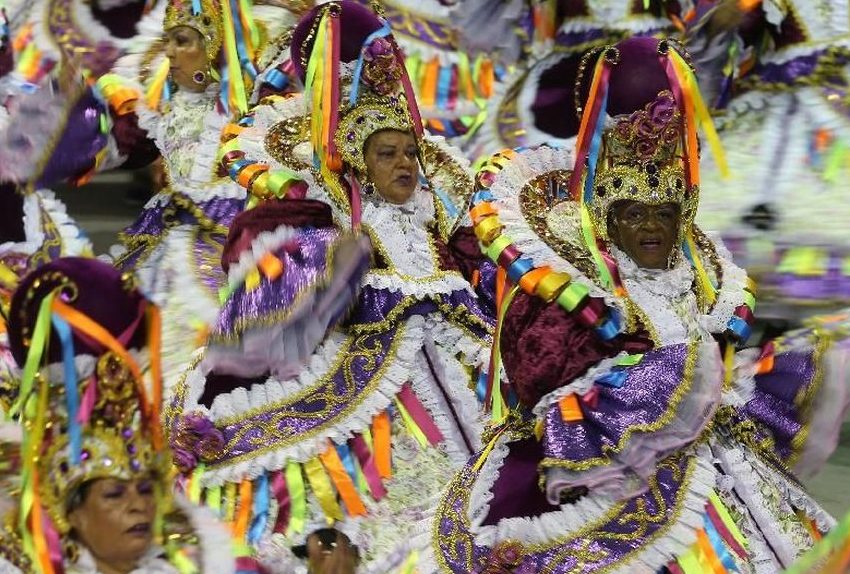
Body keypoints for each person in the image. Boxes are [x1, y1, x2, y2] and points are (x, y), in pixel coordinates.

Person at [428, 36, 850, 573]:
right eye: (635, 212)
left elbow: (714, 364)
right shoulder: (567, 281)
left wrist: (728, 378)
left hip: (719, 468)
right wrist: (674, 380)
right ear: (607, 216)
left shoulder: (697, 274)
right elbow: (544, 377)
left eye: (665, 213)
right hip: (602, 467)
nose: (652, 226)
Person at [165, 2, 496, 571]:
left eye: (411, 152)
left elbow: (489, 286)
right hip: (372, 411)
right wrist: (334, 272)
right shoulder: (313, 216)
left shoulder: (435, 216)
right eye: (387, 154)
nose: (405, 165)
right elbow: (271, 299)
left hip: (462, 384)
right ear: (358, 162)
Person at [0, 0, 301, 398]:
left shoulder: (268, 106)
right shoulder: (166, 99)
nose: (171, 53)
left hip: (233, 254)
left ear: (214, 47)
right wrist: (56, 133)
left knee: (199, 359)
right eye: (169, 42)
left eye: (182, 42)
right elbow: (120, 129)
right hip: (164, 247)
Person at [0, 257, 257, 573]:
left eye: (147, 489)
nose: (139, 506)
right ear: (69, 514)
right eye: (113, 494)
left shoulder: (198, 561)